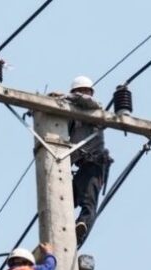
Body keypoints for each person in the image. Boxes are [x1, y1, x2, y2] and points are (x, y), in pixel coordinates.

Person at [64, 75, 114, 245]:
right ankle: (64, 230)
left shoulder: (94, 109)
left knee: (89, 203)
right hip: (81, 168)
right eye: (80, 90)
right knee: (63, 198)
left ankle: (81, 227)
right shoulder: (71, 117)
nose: (84, 93)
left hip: (94, 165)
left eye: (85, 91)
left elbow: (88, 102)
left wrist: (64, 96)